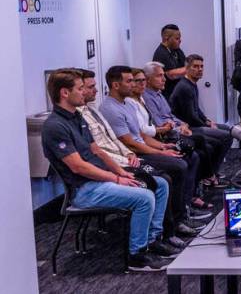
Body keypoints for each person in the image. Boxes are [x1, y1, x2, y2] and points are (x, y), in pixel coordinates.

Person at [41, 68, 174, 271]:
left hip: (100, 180)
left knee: (160, 184)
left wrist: (122, 172)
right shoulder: (55, 126)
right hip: (84, 190)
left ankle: (153, 239)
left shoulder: (77, 117)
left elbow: (99, 152)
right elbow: (78, 166)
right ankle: (137, 255)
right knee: (144, 197)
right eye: (80, 88)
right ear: (64, 93)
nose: (84, 92)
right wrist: (115, 178)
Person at [77, 68, 206, 243]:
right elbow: (124, 143)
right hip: (129, 156)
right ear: (116, 85)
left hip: (129, 154)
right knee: (172, 171)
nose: (136, 85)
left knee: (190, 155)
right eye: (130, 81)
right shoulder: (106, 109)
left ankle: (183, 210)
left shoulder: (118, 106)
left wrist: (162, 147)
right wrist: (155, 152)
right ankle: (170, 228)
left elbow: (137, 136)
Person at [142, 61, 221, 204]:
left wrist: (182, 124)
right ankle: (197, 190)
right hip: (167, 136)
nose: (164, 79)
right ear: (148, 79)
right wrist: (180, 128)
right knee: (200, 150)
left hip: (177, 130)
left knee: (209, 146)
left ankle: (199, 188)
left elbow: (170, 116)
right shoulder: (147, 98)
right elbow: (160, 123)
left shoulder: (159, 94)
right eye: (159, 76)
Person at [169, 54, 233, 187]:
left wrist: (208, 121)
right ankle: (210, 176)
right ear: (187, 68)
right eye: (195, 66)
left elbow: (197, 109)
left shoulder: (192, 84)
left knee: (227, 130)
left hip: (195, 124)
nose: (200, 69)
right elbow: (190, 117)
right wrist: (207, 125)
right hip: (188, 128)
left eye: (202, 66)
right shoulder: (184, 87)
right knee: (226, 136)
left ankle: (212, 172)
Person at [151, 24, 186, 98]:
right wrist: (191, 68)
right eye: (177, 38)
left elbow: (185, 64)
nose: (180, 41)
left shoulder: (177, 50)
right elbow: (171, 74)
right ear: (166, 38)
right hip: (168, 95)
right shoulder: (160, 53)